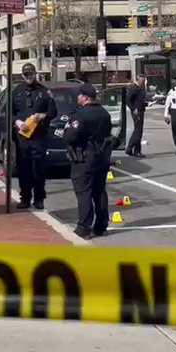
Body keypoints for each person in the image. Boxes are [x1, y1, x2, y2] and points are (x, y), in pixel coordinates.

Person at [60, 83, 114, 240]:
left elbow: (70, 137)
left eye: (79, 96)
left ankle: (84, 227)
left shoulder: (81, 115)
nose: (78, 98)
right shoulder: (104, 113)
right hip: (101, 157)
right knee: (100, 191)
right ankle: (101, 225)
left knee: (84, 193)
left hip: (84, 158)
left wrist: (66, 129)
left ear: (85, 98)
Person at [12, 63, 57, 210]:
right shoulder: (16, 92)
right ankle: (25, 197)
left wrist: (42, 115)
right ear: (22, 76)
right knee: (23, 168)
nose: (28, 77)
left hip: (38, 137)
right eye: (26, 75)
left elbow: (53, 111)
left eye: (30, 74)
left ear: (35, 74)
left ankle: (39, 198)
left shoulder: (44, 92)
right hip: (22, 138)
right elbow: (9, 113)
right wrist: (17, 122)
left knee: (38, 169)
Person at [125, 74, 148, 157]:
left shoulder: (140, 88)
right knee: (138, 132)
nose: (143, 82)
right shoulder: (134, 88)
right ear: (138, 80)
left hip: (141, 110)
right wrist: (133, 109)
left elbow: (139, 99)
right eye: (142, 81)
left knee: (138, 131)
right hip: (137, 112)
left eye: (144, 81)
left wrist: (145, 104)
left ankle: (135, 150)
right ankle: (131, 149)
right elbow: (127, 99)